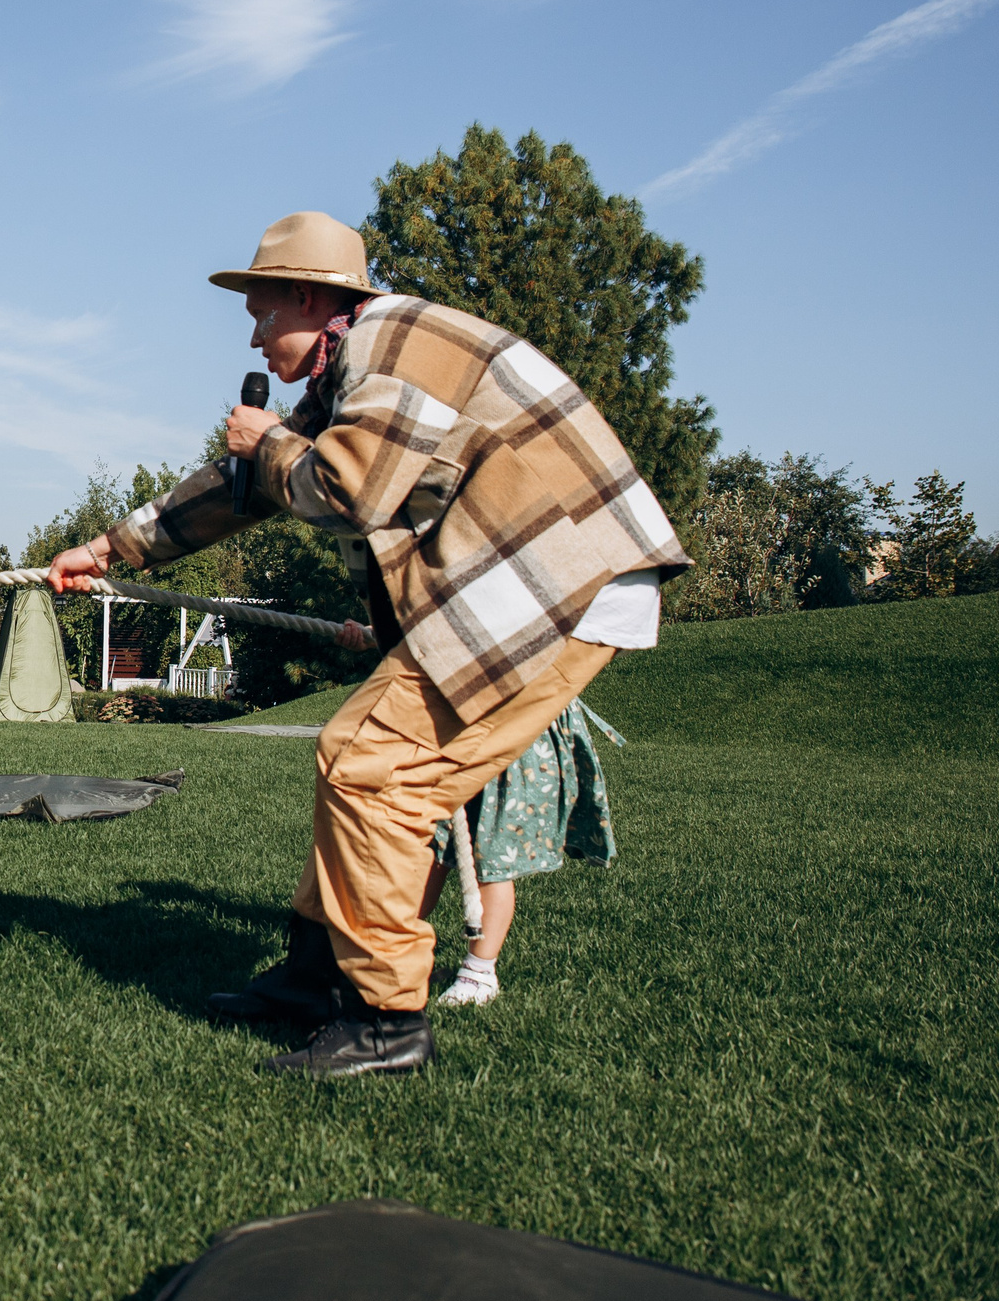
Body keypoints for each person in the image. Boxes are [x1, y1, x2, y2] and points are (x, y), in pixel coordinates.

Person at [48, 211, 687, 1078]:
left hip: (558, 574)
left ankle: (385, 1021)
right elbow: (250, 490)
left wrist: (267, 439)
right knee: (357, 758)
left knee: (372, 766)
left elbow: (344, 487)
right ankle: (316, 978)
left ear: (311, 297)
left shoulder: (392, 342)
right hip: (535, 574)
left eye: (263, 308)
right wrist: (111, 548)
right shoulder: (354, 366)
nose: (253, 329)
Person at [420, 700, 618, 1007]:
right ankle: (389, 945)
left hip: (515, 733)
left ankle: (479, 973)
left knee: (493, 853)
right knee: (425, 843)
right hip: (456, 726)